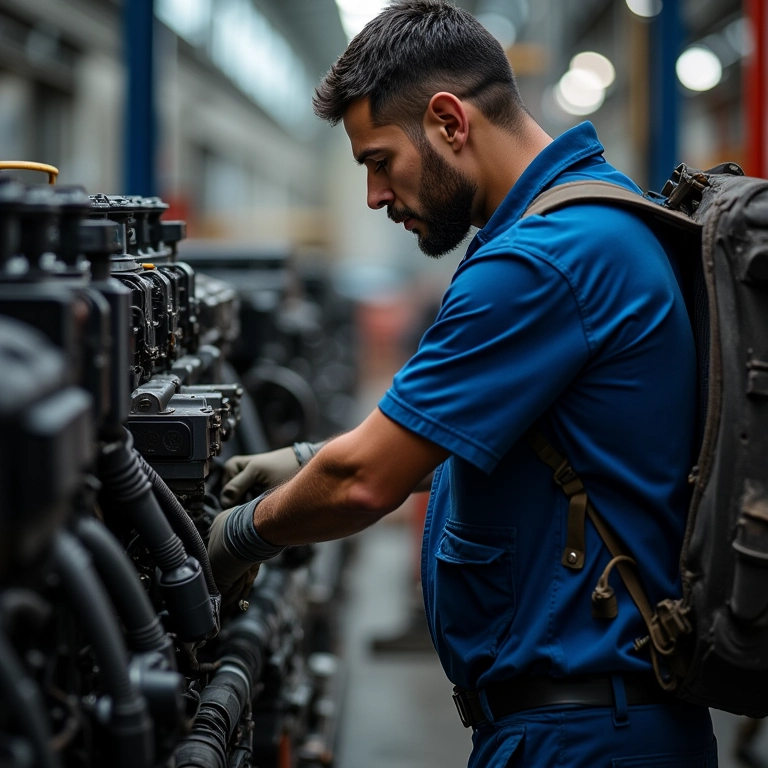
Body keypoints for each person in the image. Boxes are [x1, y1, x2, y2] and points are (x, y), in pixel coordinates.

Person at [207, 1, 717, 765]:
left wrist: (238, 536)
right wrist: (310, 455)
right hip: (601, 719)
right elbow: (476, 435)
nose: (376, 196)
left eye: (379, 161)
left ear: (449, 122)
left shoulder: (540, 261)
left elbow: (364, 485)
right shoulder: (595, 219)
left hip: (581, 735)